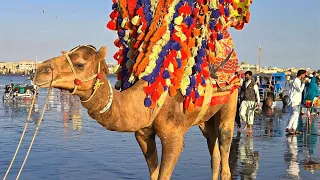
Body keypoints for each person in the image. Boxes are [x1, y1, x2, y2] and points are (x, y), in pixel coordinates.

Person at [286, 69, 307, 134]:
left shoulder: (298, 81)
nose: (305, 76)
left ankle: (294, 129)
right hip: (293, 100)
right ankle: (288, 127)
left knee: (296, 115)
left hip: (297, 101)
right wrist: (303, 83)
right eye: (304, 74)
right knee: (295, 114)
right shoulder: (296, 81)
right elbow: (300, 90)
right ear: (301, 74)